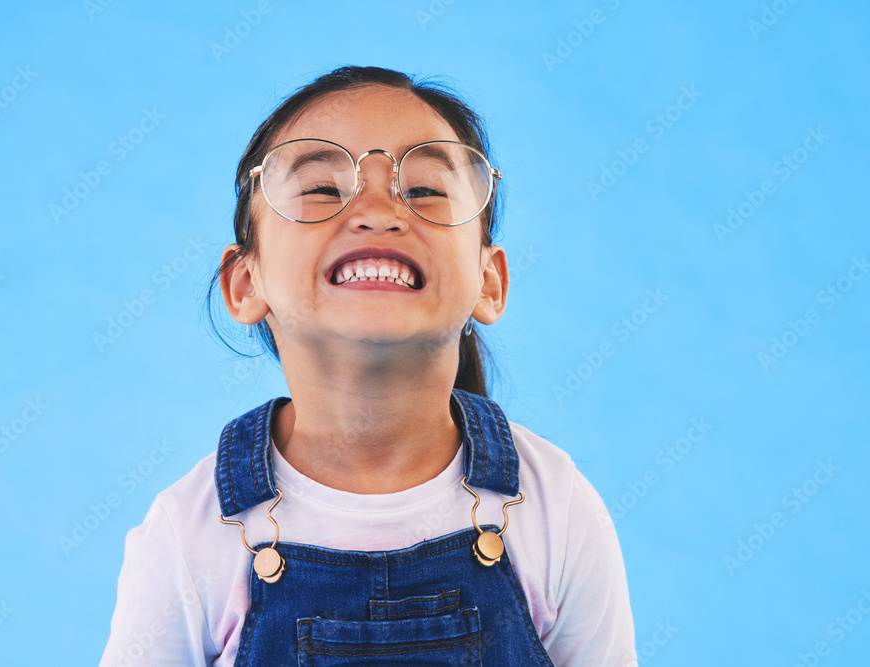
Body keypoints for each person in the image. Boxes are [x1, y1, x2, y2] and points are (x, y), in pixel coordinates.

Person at [100, 65, 636, 666]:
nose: (378, 211)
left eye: (425, 190)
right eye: (323, 190)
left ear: (489, 281)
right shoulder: (191, 532)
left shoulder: (552, 504)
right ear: (245, 283)